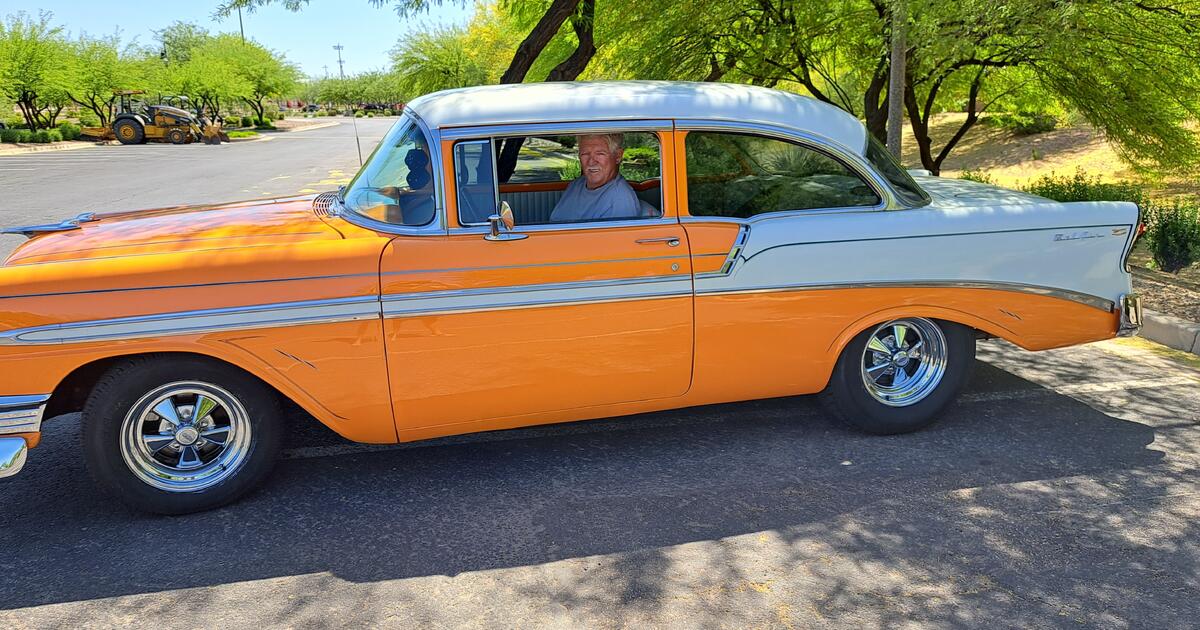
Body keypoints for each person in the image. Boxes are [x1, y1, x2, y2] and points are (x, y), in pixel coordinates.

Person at [549, 134, 644, 222]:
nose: (591, 162)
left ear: (618, 156)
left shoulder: (619, 202)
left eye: (600, 154)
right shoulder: (577, 184)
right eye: (585, 154)